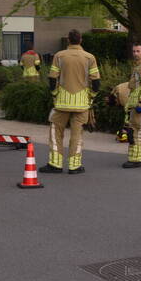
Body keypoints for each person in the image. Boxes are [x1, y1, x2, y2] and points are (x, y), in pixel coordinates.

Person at [41, 29, 100, 174]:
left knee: (56, 132)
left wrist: (54, 94)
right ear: (81, 40)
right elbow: (96, 81)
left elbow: (52, 78)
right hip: (82, 104)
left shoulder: (59, 56)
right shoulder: (89, 57)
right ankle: (75, 166)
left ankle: (55, 164)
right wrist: (91, 96)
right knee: (77, 135)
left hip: (62, 103)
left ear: (68, 40)